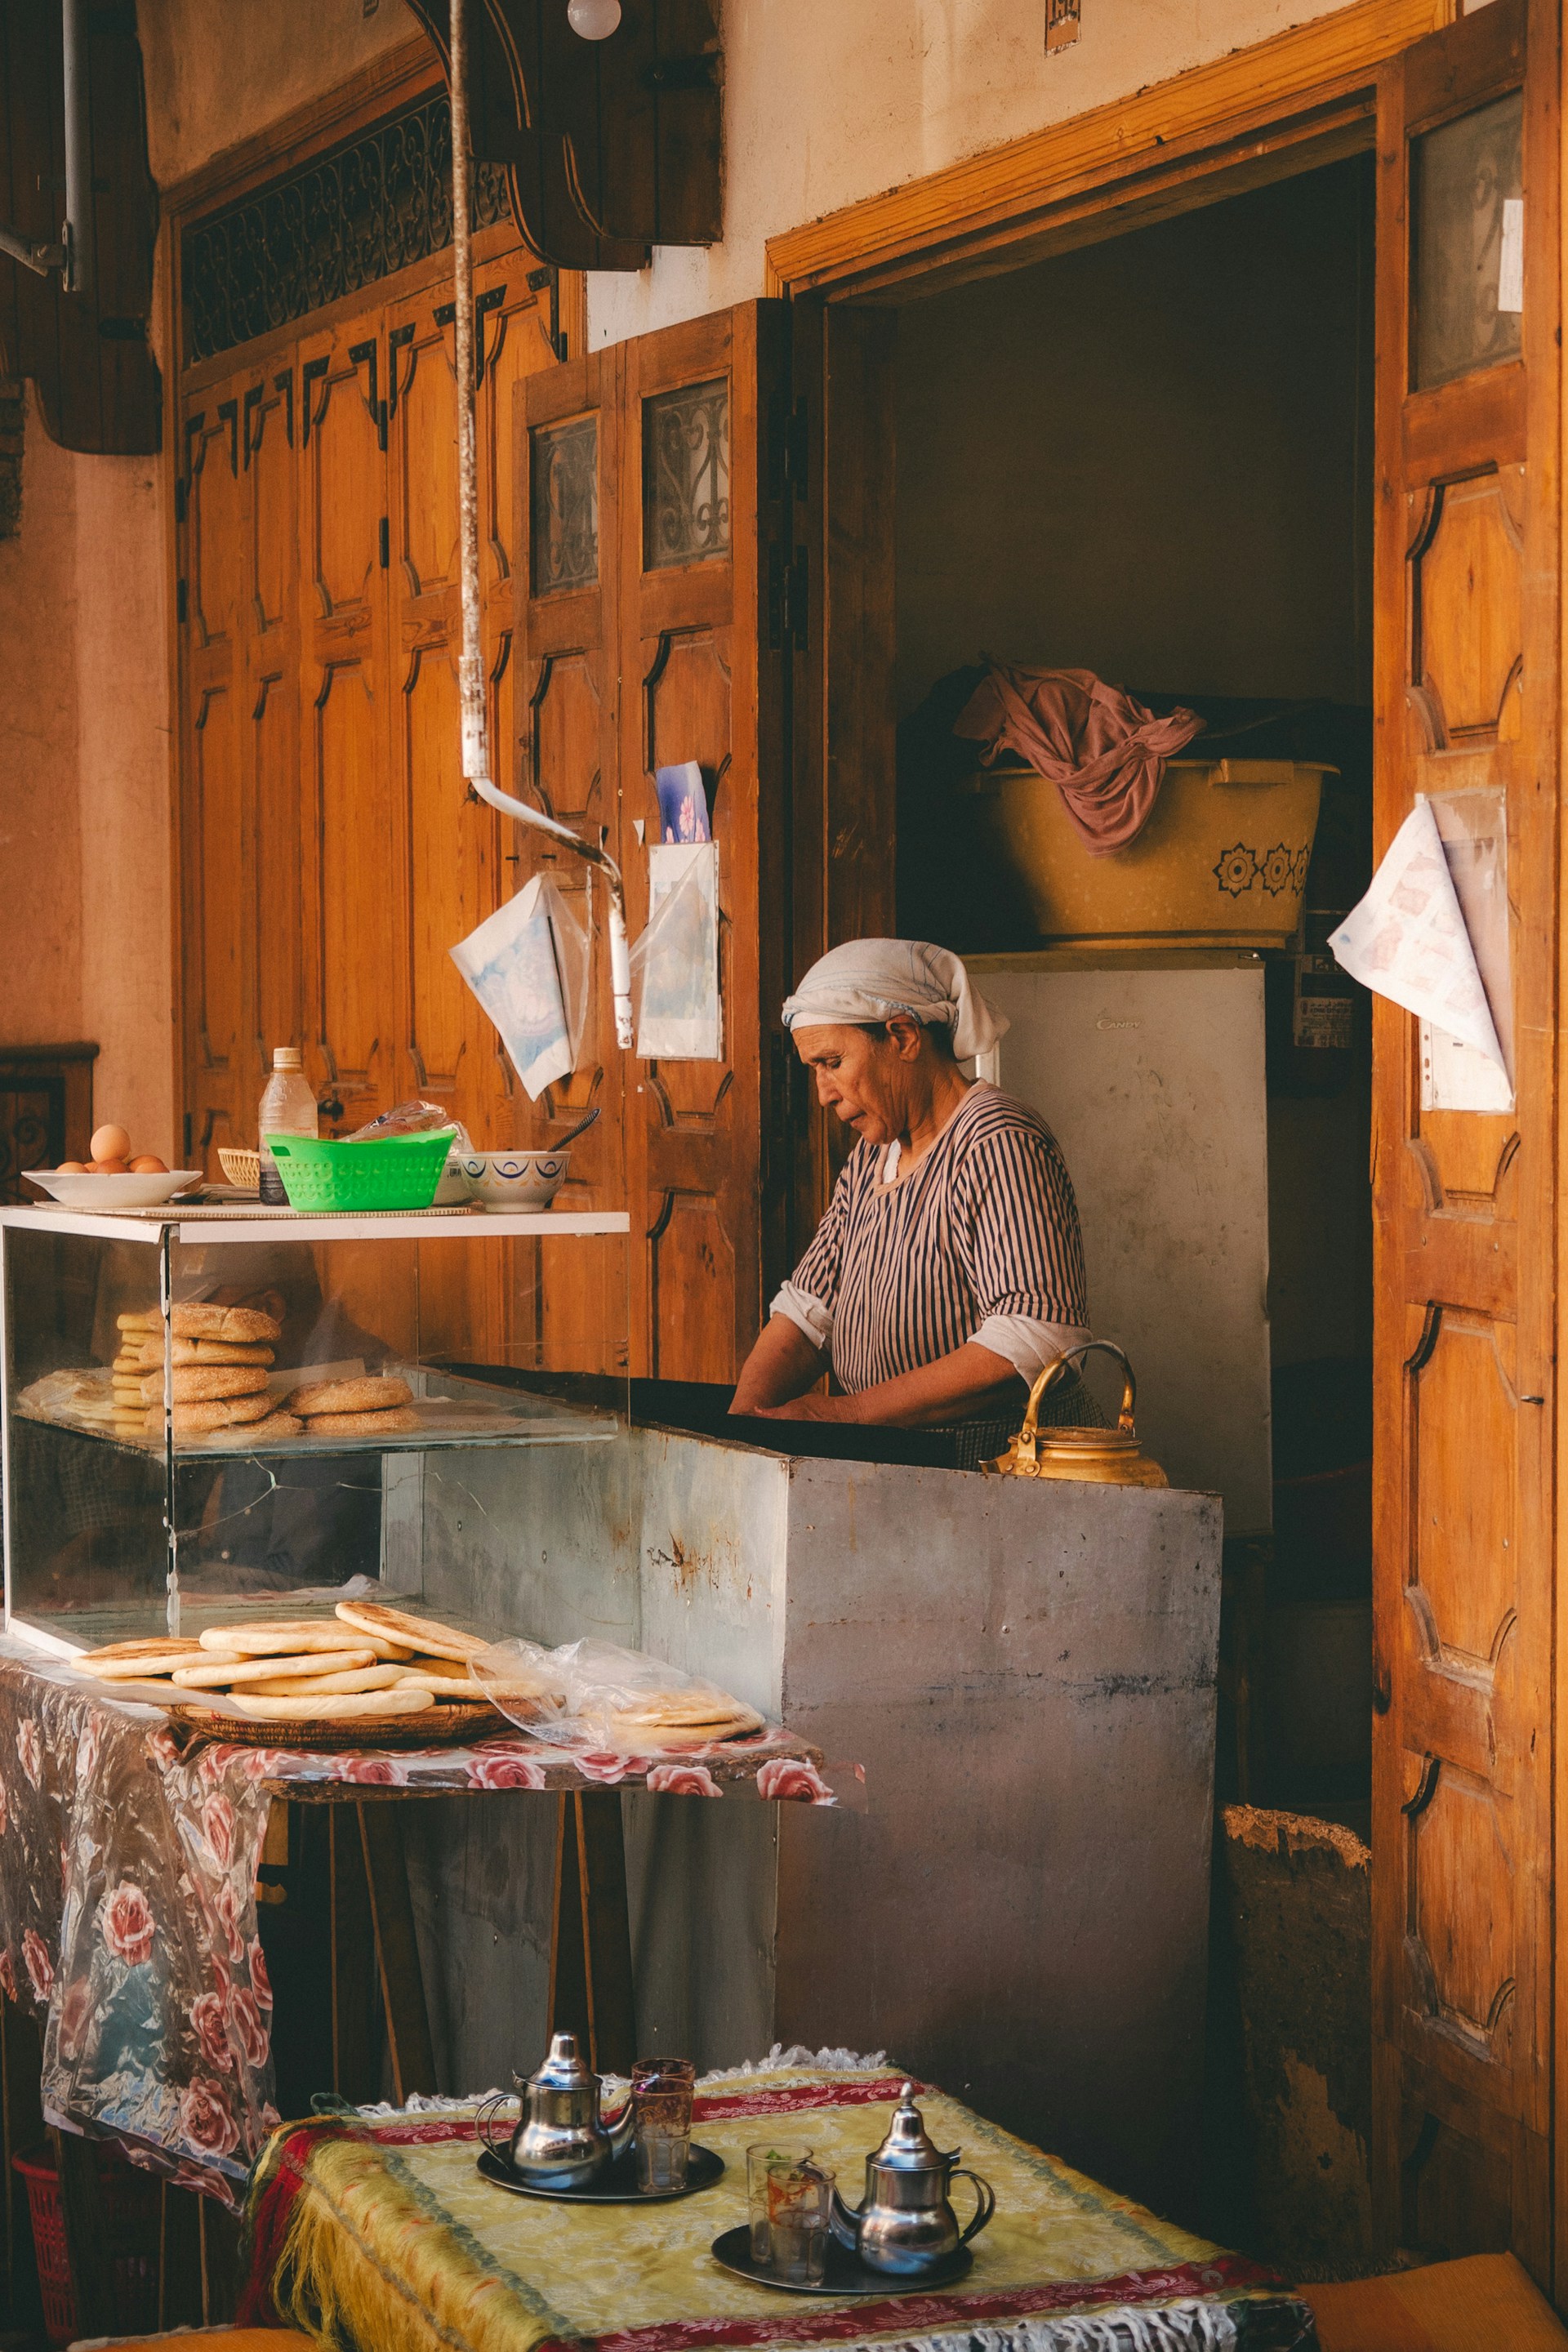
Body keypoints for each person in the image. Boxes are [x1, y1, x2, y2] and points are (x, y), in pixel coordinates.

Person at [730, 939, 1097, 1463]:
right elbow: (810, 1308)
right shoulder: (872, 1157)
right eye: (815, 1069)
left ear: (902, 1036)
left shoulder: (996, 1139)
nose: (823, 1093)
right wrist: (743, 1426)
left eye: (832, 1062)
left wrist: (844, 1415)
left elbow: (1037, 1338)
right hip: (903, 1468)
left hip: (998, 1472)